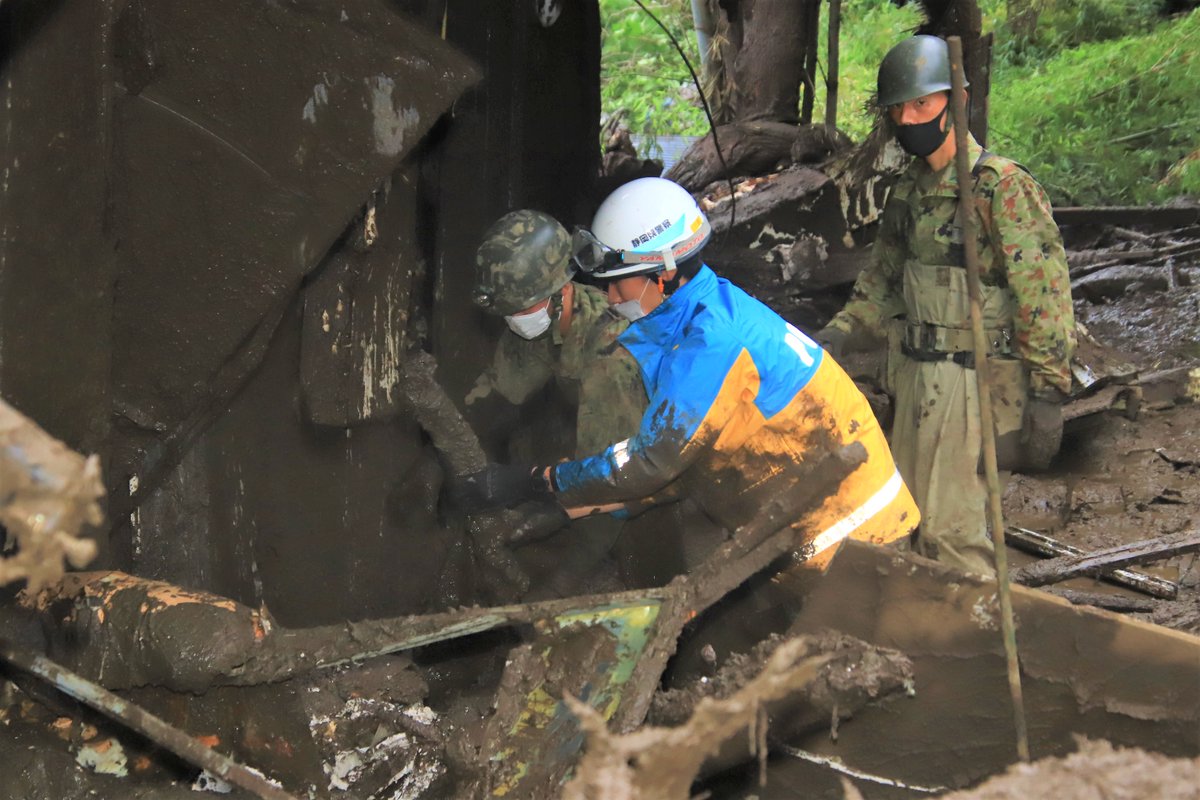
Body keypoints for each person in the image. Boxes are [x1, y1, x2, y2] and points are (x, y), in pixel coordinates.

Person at [456, 178, 919, 573]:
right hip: (808, 529)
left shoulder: (711, 343)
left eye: (621, 280)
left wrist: (541, 481)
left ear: (665, 273)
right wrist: (574, 505)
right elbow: (681, 465)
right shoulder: (683, 321)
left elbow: (650, 463)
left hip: (851, 540)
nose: (610, 295)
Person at [815, 35, 1076, 574]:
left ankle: (968, 645)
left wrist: (1049, 393)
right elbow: (881, 283)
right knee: (902, 521)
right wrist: (837, 334)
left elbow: (1043, 295)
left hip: (973, 383)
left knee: (954, 533)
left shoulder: (999, 187)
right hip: (912, 381)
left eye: (921, 104)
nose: (908, 118)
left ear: (956, 99)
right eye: (899, 109)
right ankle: (913, 644)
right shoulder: (907, 193)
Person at [468, 209, 647, 460]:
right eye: (507, 311)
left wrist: (546, 480)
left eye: (522, 308)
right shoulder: (539, 315)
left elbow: (608, 471)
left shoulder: (609, 354)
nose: (514, 319)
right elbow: (503, 392)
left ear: (562, 289)